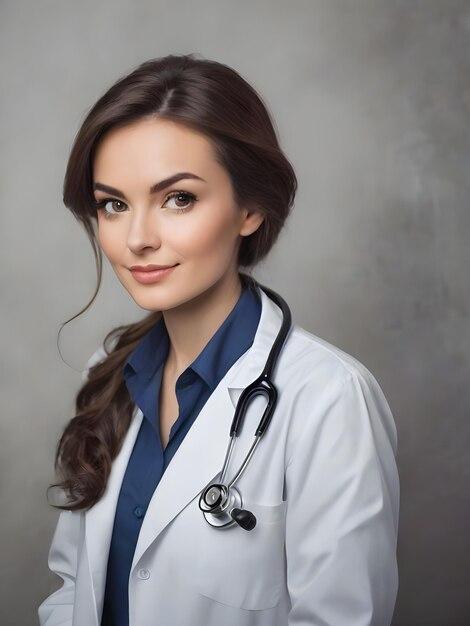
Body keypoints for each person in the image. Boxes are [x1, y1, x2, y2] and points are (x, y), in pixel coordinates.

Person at [39, 54, 399, 626]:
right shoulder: (109, 372)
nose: (137, 239)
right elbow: (71, 586)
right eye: (114, 204)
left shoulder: (330, 398)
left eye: (178, 198)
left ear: (250, 208)